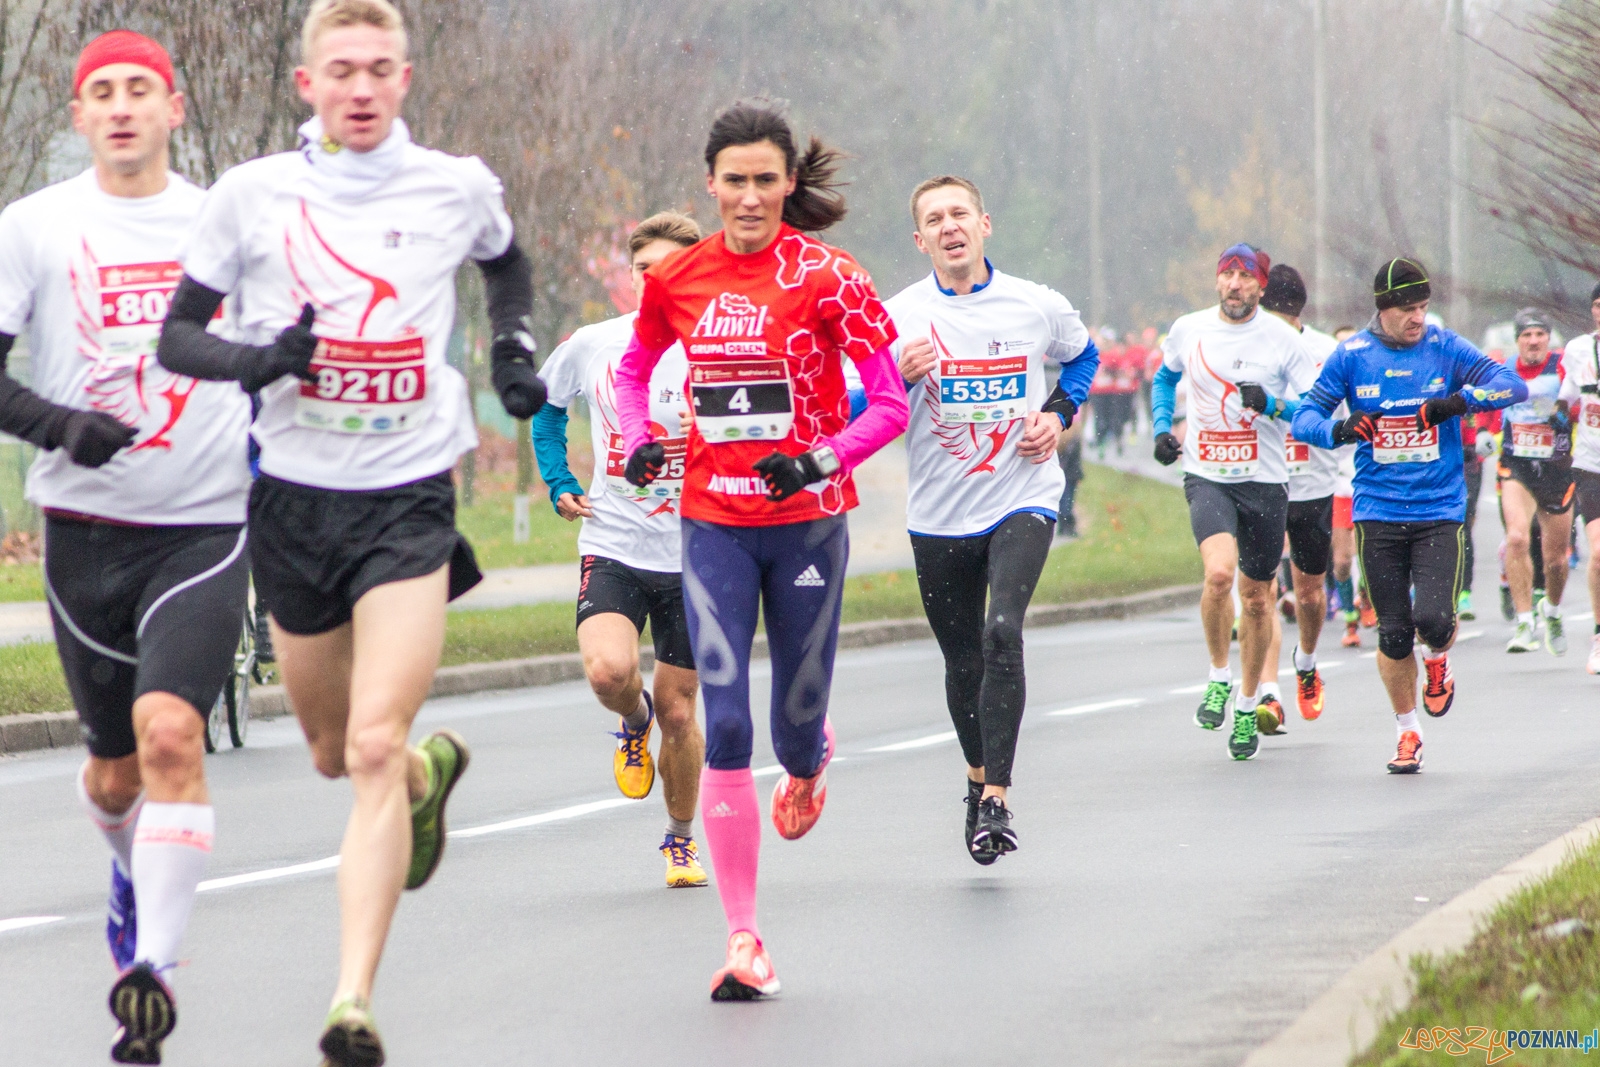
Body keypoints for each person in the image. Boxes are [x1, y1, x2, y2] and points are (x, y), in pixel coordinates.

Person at [155, 2, 544, 1062]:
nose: (362, 88)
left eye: (381, 69)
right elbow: (178, 336)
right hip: (293, 499)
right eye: (343, 70)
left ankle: (351, 1000)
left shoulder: (454, 185)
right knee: (335, 751)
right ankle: (423, 778)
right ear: (307, 83)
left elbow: (508, 266)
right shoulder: (251, 197)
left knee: (372, 738)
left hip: (410, 495)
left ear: (405, 80)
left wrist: (511, 354)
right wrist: (261, 361)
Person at [615, 101, 908, 1001]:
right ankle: (744, 938)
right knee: (727, 723)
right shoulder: (681, 279)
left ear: (788, 183)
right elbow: (633, 369)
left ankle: (813, 760)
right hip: (711, 525)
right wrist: (634, 437)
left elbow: (889, 402)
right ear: (710, 184)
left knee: (793, 719)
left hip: (809, 524)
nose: (749, 196)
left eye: (765, 180)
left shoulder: (831, 277)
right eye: (733, 180)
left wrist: (817, 458)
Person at [0, 31, 249, 1064]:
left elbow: (276, 358)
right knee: (112, 774)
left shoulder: (221, 226)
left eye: (139, 89)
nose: (120, 107)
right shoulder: (32, 228)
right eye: (100, 92)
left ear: (174, 108)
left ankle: (152, 967)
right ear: (78, 116)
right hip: (83, 535)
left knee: (170, 736)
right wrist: (59, 425)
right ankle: (126, 864)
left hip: (202, 522)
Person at [888, 174, 1097, 862]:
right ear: (920, 240)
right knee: (963, 660)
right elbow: (862, 406)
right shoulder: (900, 318)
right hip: (939, 515)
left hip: (1023, 493)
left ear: (984, 224)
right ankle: (977, 781)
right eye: (934, 219)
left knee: (1002, 631)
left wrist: (1057, 417)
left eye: (960, 214)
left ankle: (998, 798)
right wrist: (898, 376)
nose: (950, 226)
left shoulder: (1036, 305)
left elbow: (1083, 355)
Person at [1292, 258, 1524, 773]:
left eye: (1422, 307)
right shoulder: (1351, 356)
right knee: (1394, 634)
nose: (1418, 318)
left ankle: (1438, 660)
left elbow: (1513, 386)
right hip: (1377, 511)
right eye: (1408, 310)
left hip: (1440, 508)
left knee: (1435, 620)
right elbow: (1305, 415)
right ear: (1383, 309)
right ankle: (1407, 732)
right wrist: (1341, 428)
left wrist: (1457, 403)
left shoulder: (1444, 346)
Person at [532, 211, 709, 888]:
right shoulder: (595, 344)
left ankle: (681, 838)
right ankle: (630, 722)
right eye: (643, 270)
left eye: (670, 268)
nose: (654, 281)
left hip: (696, 552)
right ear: (629, 277)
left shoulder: (716, 346)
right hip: (613, 540)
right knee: (609, 673)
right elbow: (548, 410)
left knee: (681, 711)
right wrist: (558, 481)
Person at [1149, 244, 1318, 760]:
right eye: (1228, 275)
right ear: (1217, 281)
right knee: (1218, 576)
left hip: (1265, 481)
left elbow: (1311, 409)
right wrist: (1161, 428)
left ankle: (1247, 705)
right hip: (1207, 475)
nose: (1236, 285)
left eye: (1246, 277)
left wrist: (1271, 404)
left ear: (1262, 287)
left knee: (1257, 598)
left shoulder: (1282, 340)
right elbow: (1164, 377)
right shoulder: (1189, 328)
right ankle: (1219, 675)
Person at [1246, 265, 1340, 728]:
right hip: (1262, 480)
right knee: (1260, 595)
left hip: (1313, 486)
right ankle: (1268, 694)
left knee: (1309, 593)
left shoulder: (1325, 351)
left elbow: (1327, 416)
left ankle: (1306, 662)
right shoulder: (1246, 345)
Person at [1497, 307, 1574, 655]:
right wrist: (1483, 430)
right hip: (1518, 464)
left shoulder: (1562, 365)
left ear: (1548, 338)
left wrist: (1563, 414)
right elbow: (1487, 404)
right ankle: (1525, 621)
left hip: (1557, 468)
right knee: (1516, 537)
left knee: (1555, 560)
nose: (1533, 341)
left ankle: (1552, 611)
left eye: (1539, 334)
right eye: (1526, 335)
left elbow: (1579, 401)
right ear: (1517, 341)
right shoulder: (1503, 369)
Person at [1559, 284, 1600, 671]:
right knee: (1599, 554)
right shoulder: (1578, 350)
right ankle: (1599, 634)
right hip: (1590, 463)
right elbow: (1569, 390)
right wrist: (1558, 411)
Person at [1328, 325, 1364, 646]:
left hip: (1371, 479)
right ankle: (1349, 618)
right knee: (1341, 560)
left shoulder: (1374, 381)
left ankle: (1366, 595)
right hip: (1339, 483)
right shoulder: (1327, 387)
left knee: (1369, 553)